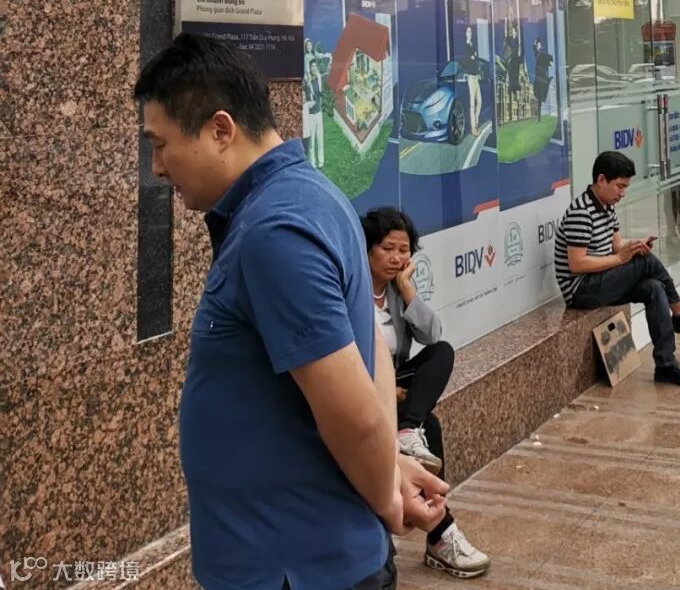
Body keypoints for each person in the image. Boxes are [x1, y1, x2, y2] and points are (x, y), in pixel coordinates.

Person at [134, 33, 447, 590]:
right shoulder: (311, 194)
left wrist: (385, 499)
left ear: (221, 130)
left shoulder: (274, 231)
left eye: (160, 144)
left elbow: (353, 414)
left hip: (293, 568)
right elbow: (370, 347)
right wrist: (387, 467)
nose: (157, 167)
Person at [362, 208, 491, 579]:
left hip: (397, 384)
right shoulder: (350, 290)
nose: (396, 258)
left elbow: (431, 334)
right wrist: (385, 391)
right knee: (431, 427)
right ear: (367, 249)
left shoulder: (395, 291)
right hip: (363, 385)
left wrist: (407, 290)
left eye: (404, 250)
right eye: (388, 248)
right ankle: (441, 534)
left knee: (442, 352)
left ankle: (408, 428)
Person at [554, 151, 680, 388]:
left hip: (601, 279)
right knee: (646, 264)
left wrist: (635, 247)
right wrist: (622, 259)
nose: (622, 193)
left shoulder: (606, 206)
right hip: (581, 289)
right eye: (619, 186)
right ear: (601, 180)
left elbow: (616, 246)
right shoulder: (581, 212)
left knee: (654, 287)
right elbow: (577, 264)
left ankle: (666, 364)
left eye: (625, 188)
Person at [302, 57, 325, 169]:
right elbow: (303, 95)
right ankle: (313, 163)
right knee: (311, 141)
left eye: (315, 66)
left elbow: (320, 93)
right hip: (311, 114)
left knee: (320, 139)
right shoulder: (307, 81)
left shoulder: (318, 79)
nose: (314, 68)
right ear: (310, 68)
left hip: (319, 113)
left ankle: (321, 162)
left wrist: (319, 78)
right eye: (312, 66)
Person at [461, 26, 482, 136]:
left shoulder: (473, 46)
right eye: (468, 31)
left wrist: (478, 73)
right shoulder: (465, 47)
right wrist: (471, 57)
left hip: (475, 77)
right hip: (470, 78)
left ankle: (476, 121)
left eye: (471, 31)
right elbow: (465, 61)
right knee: (472, 104)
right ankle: (473, 128)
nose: (470, 33)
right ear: (465, 33)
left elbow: (475, 60)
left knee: (480, 101)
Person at [532, 36, 553, 120]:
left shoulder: (543, 54)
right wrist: (536, 41)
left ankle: (540, 115)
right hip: (539, 76)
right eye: (538, 45)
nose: (538, 46)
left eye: (539, 45)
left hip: (543, 75)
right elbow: (534, 47)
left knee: (541, 94)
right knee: (539, 96)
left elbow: (550, 62)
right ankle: (539, 116)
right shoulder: (537, 54)